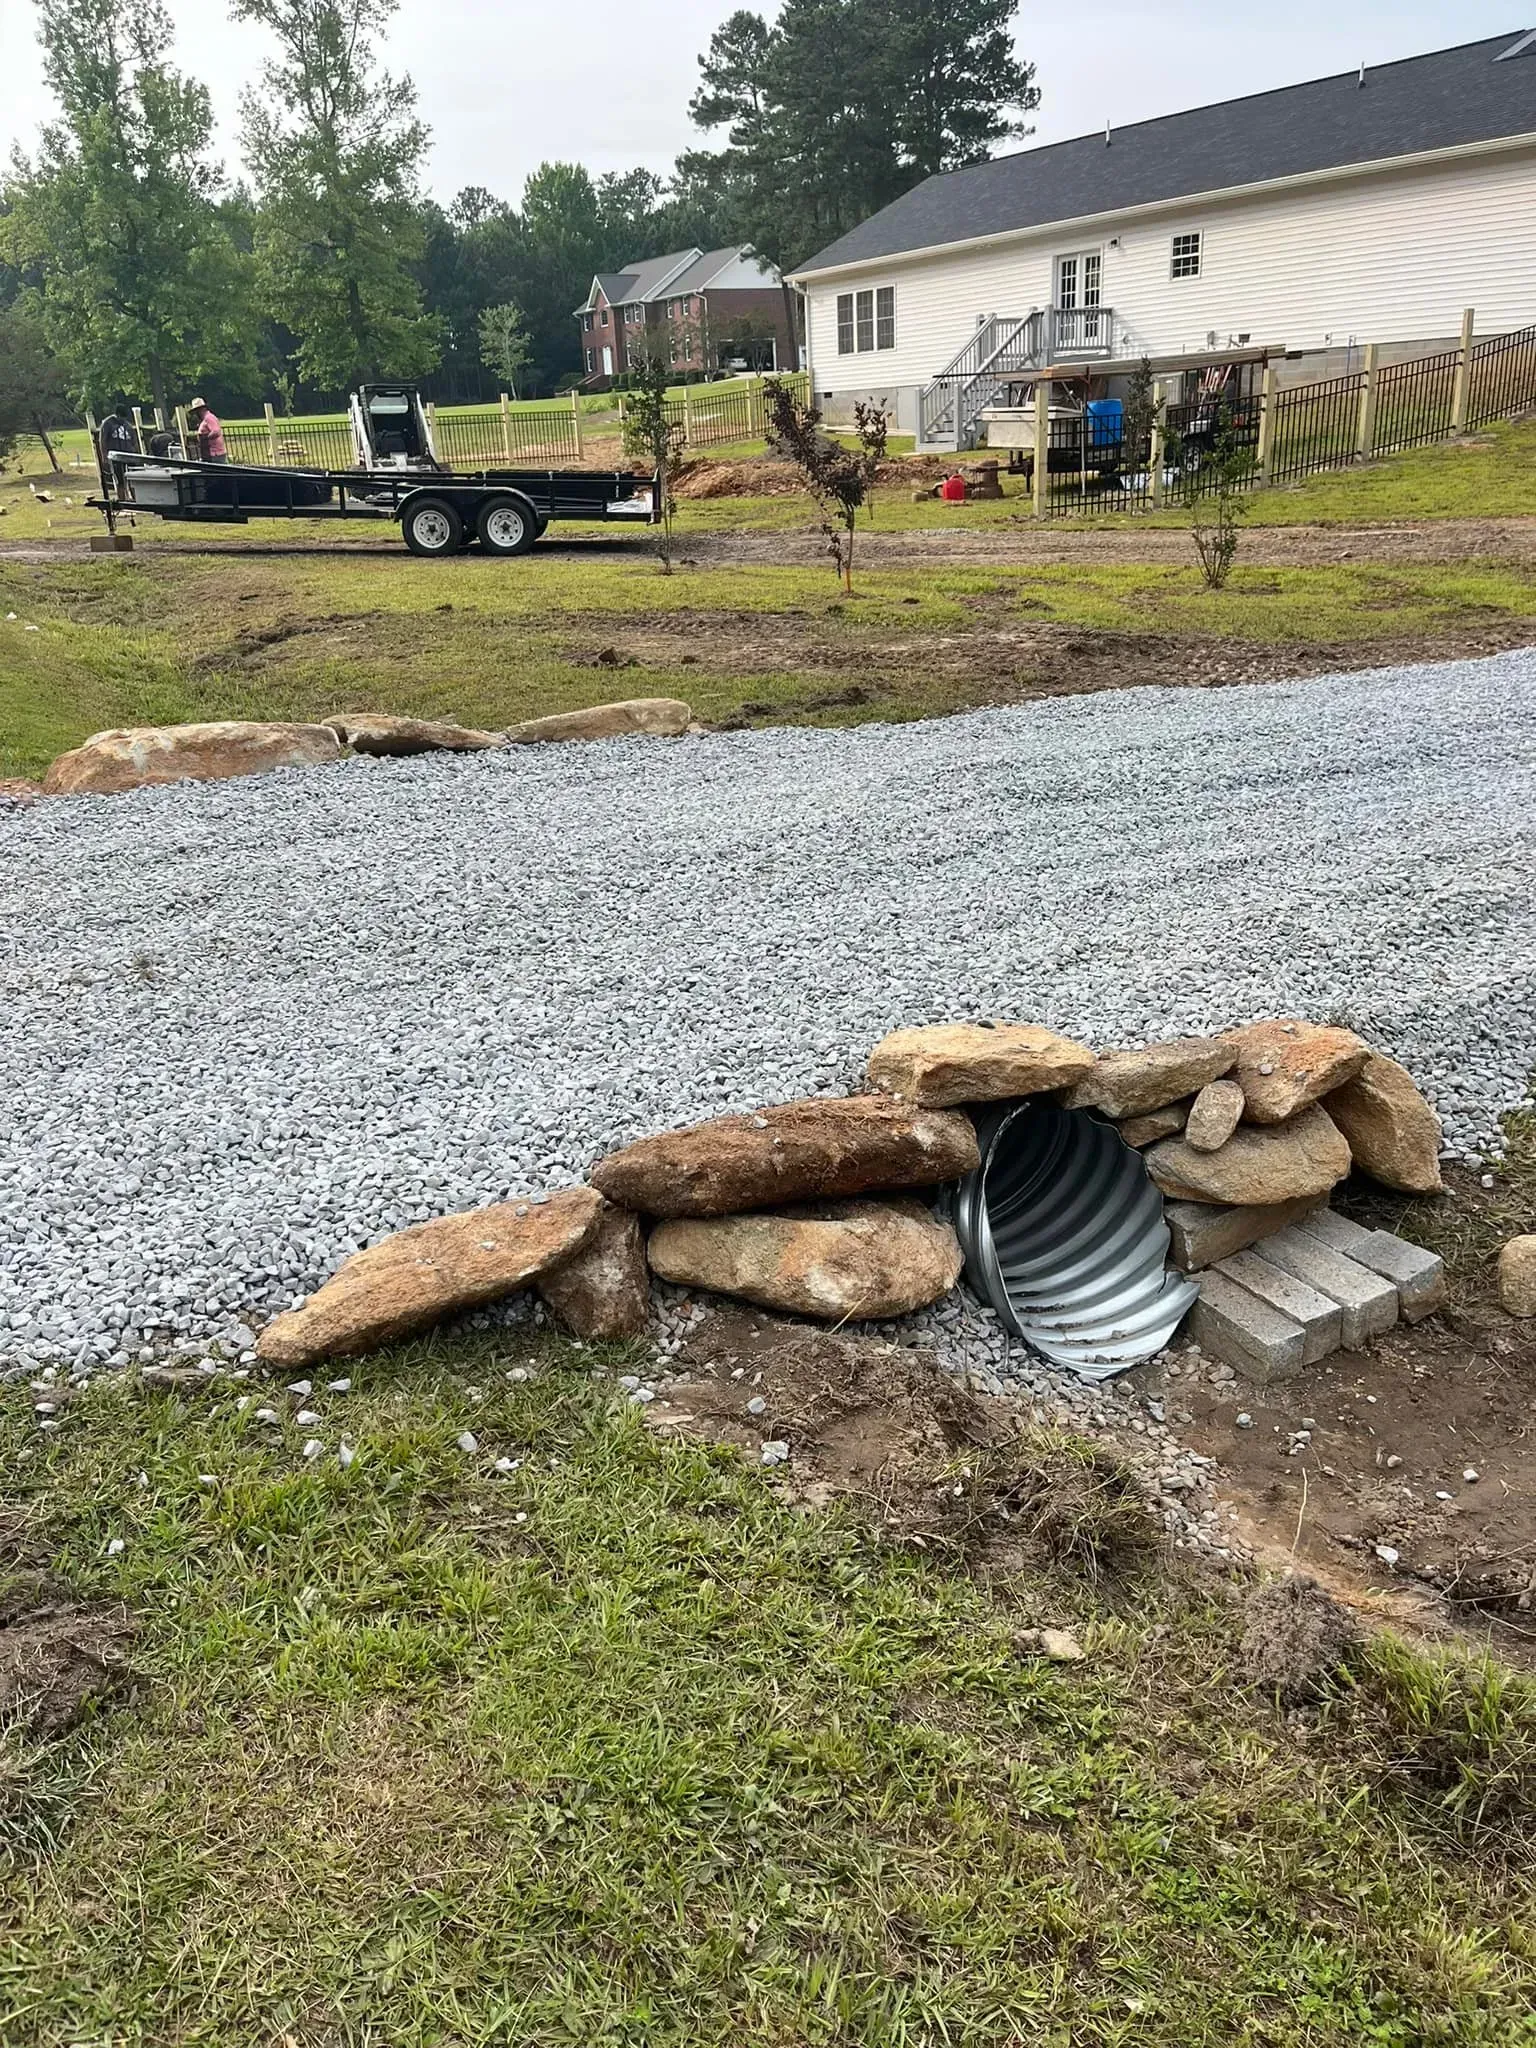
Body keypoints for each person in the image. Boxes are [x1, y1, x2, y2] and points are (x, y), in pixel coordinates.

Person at [186, 397, 227, 464]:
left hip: (215, 454)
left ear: (200, 410)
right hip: (211, 454)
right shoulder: (205, 419)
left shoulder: (209, 418)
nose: (195, 414)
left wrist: (205, 438)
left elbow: (216, 431)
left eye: (196, 411)